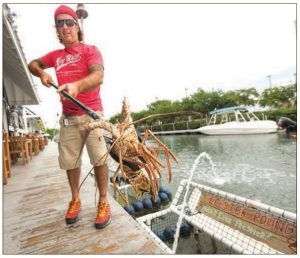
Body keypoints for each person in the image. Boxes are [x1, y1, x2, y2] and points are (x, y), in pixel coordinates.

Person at [28, 5, 111, 229]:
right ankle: (75, 199)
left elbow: (98, 75)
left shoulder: (90, 50)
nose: (65, 27)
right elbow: (32, 63)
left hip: (92, 116)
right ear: (56, 29)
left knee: (100, 159)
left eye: (69, 22)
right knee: (70, 162)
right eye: (60, 23)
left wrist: (76, 86)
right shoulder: (55, 56)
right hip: (68, 118)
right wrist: (42, 72)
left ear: (77, 26)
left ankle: (103, 201)